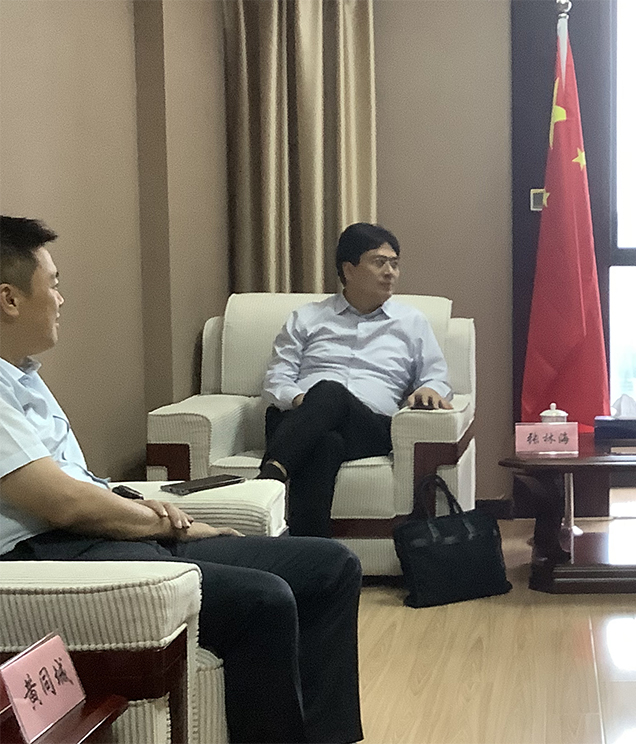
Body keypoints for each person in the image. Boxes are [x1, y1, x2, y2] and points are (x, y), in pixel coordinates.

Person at [0, 216, 364, 744]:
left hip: (99, 537)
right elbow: (63, 503)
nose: (61, 299)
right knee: (264, 601)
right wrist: (160, 524)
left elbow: (80, 487)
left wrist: (156, 516)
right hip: (52, 553)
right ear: (9, 299)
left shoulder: (22, 375)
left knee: (331, 566)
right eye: (52, 284)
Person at [258, 222, 453, 537]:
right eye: (379, 262)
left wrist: (429, 388)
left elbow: (436, 375)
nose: (390, 272)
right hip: (303, 419)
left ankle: (269, 477)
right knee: (326, 443)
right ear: (348, 270)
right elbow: (277, 377)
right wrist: (303, 402)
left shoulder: (411, 322)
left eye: (395, 264)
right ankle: (312, 555)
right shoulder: (306, 317)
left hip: (368, 427)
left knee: (330, 392)